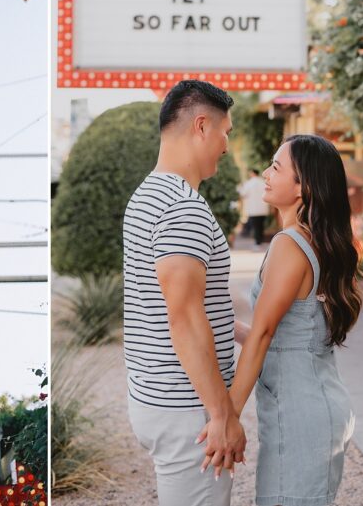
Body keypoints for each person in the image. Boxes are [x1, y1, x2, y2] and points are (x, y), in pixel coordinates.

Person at [123, 80, 245, 506]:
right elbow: (185, 317)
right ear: (201, 126)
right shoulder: (183, 207)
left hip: (156, 392)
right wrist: (220, 414)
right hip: (186, 409)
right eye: (225, 132)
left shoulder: (146, 195)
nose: (226, 146)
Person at [224, 134, 362, 506]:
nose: (266, 174)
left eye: (276, 167)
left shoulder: (289, 244)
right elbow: (291, 330)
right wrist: (227, 325)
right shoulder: (316, 240)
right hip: (317, 405)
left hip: (303, 416)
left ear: (303, 187)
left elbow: (267, 333)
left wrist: (228, 417)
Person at [237, 168, 269, 248]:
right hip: (263, 209)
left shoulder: (249, 183)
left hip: (253, 209)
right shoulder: (263, 182)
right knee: (261, 226)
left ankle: (257, 242)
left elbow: (243, 193)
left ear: (253, 173)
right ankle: (260, 241)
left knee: (255, 226)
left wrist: (239, 187)